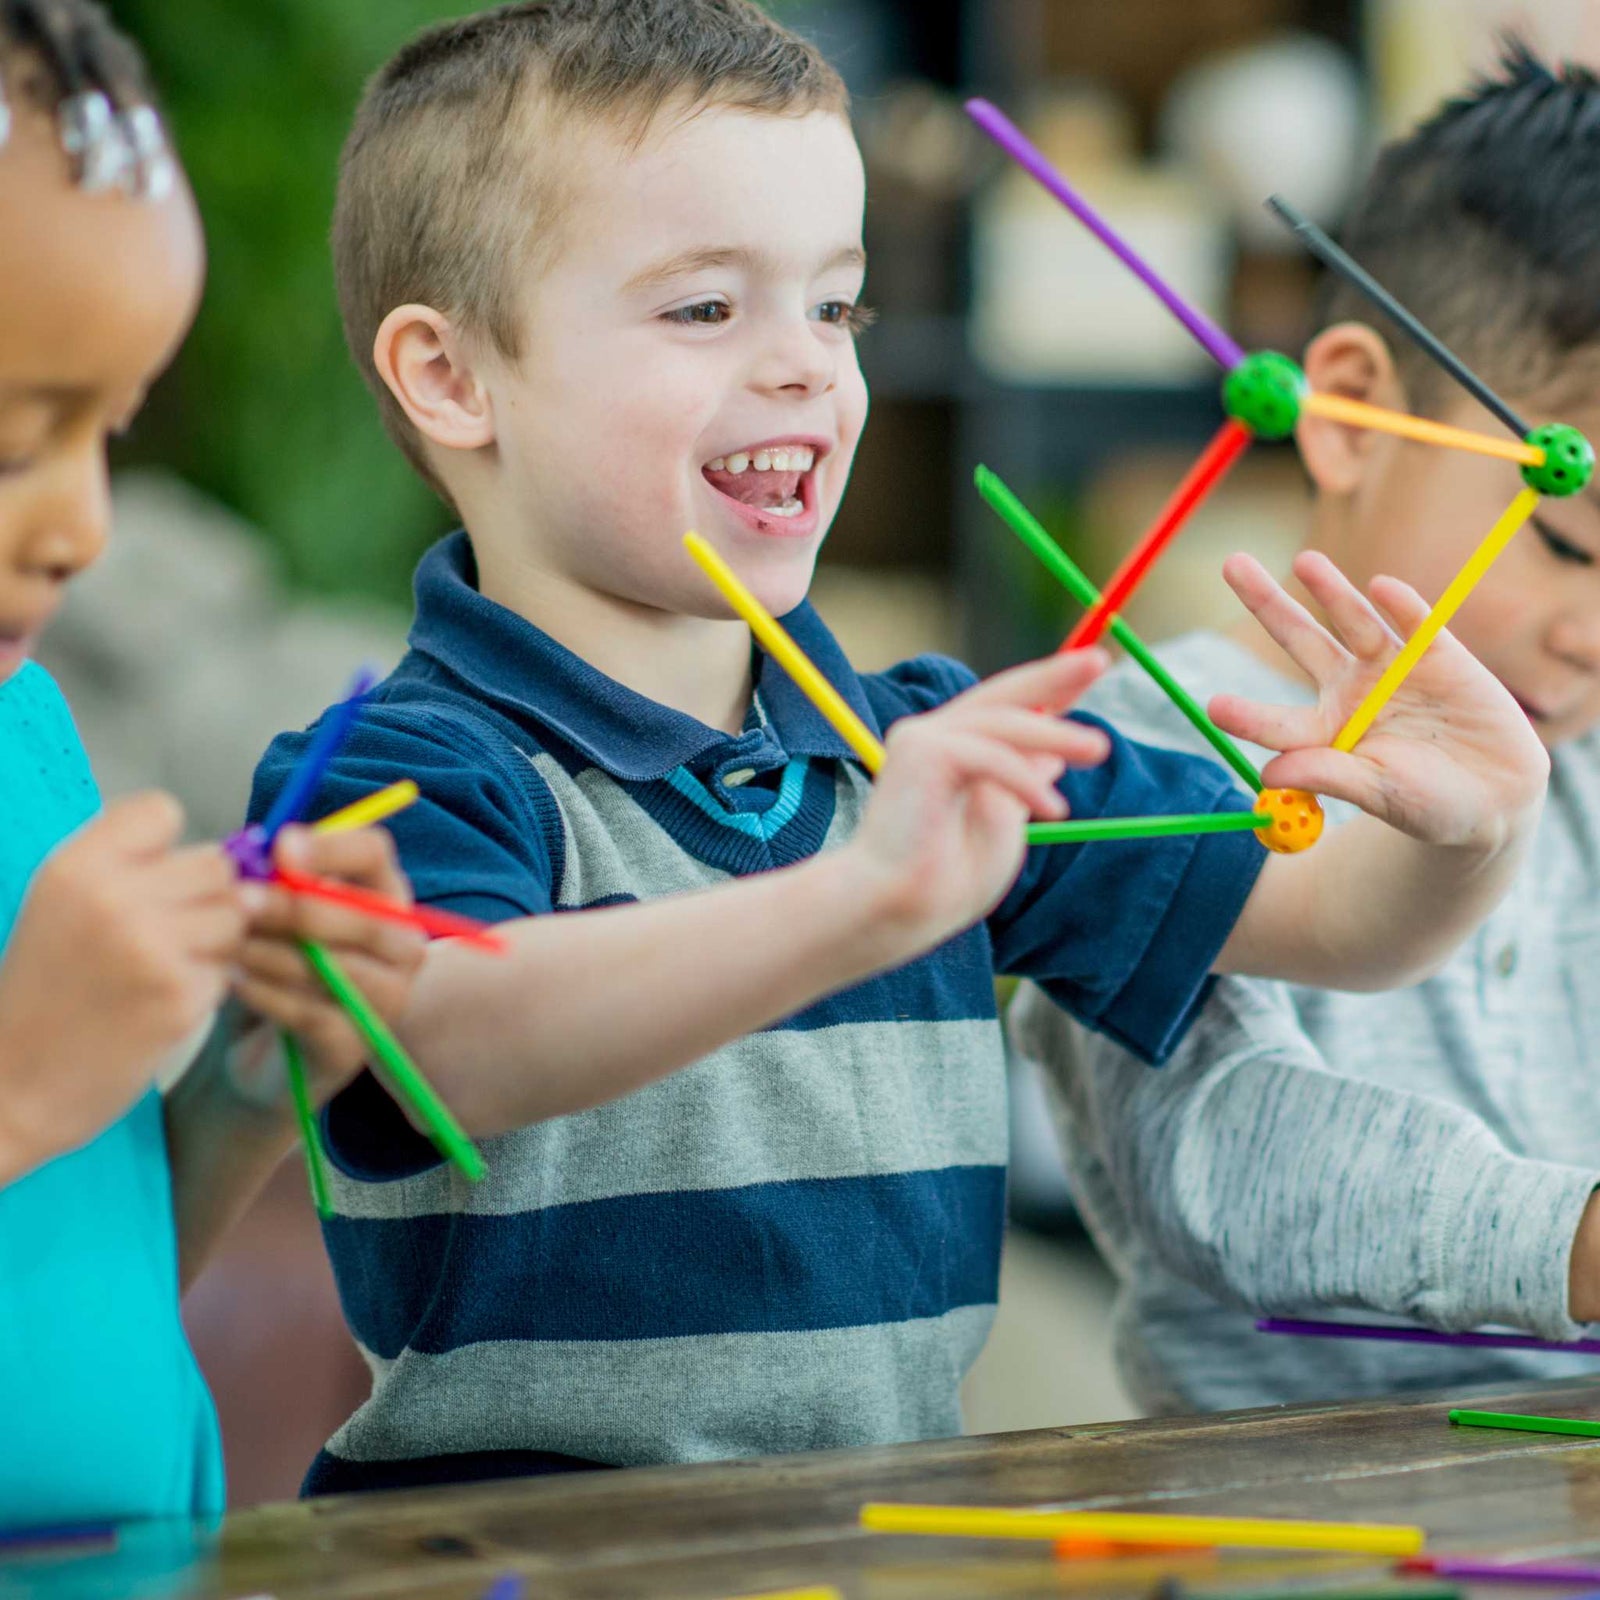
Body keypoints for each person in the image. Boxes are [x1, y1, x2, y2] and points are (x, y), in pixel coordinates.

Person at [252, 0, 1548, 1495]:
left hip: (877, 1544)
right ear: (452, 376)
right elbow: (448, 1039)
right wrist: (856, 897)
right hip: (509, 1558)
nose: (807, 366)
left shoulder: (925, 737)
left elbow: (1329, 921)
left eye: (837, 306)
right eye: (702, 308)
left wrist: (1470, 839)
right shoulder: (392, 768)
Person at [1010, 43, 1600, 1415]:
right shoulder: (1141, 734)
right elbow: (1220, 1167)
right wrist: (1574, 1243)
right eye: (1566, 541)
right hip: (1282, 1531)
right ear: (1349, 417)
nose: (1594, 630)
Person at [0, 1, 424, 1527]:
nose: (83, 526)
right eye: (11, 445)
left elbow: (87, 1261)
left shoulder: (26, 728)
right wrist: (23, 1081)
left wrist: (239, 1093)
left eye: (106, 433)